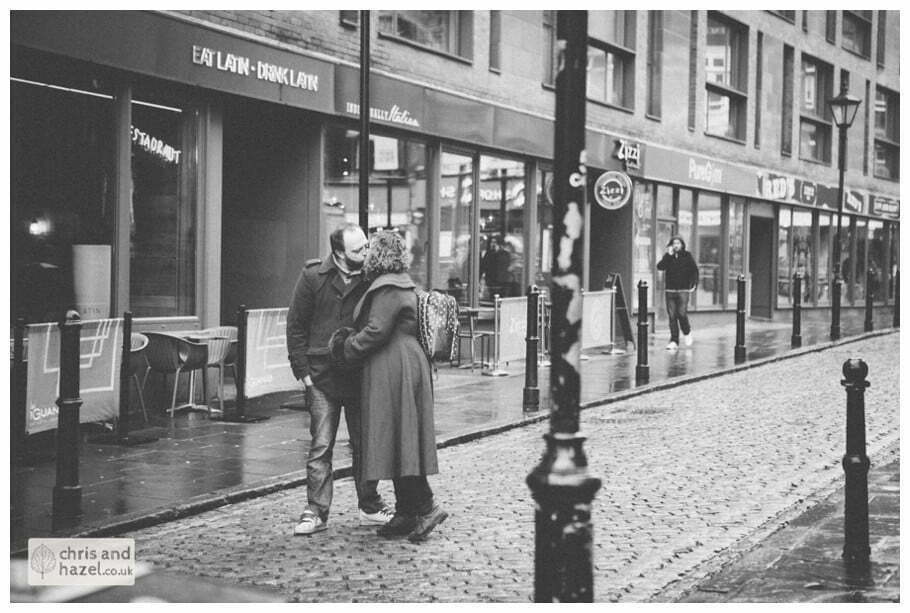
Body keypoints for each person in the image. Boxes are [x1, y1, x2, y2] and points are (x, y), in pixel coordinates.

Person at [330, 230, 448, 542]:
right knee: (400, 439)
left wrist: (346, 347)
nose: (366, 252)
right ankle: (406, 512)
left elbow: (375, 331)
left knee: (398, 439)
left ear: (379, 255)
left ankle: (426, 506)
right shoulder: (400, 283)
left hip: (394, 368)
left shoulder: (387, 288)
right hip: (403, 364)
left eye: (371, 248)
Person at [286, 223, 393, 535]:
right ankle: (316, 512)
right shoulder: (312, 276)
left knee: (365, 445)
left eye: (366, 246)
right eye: (358, 250)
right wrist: (304, 374)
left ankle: (369, 506)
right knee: (321, 446)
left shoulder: (372, 277)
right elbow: (296, 326)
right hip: (321, 377)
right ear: (339, 253)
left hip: (360, 374)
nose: (366, 252)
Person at [656, 235, 699, 350]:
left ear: (682, 245)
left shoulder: (687, 256)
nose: (676, 245)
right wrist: (668, 255)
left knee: (681, 313)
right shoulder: (668, 256)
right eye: (674, 243)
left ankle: (687, 332)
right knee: (672, 316)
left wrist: (694, 284)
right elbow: (660, 267)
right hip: (670, 290)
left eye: (678, 243)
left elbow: (694, 271)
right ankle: (674, 341)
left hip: (683, 290)